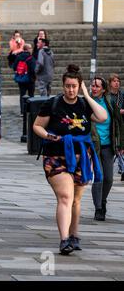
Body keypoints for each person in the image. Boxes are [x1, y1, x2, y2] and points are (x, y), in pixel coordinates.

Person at [33, 64, 107, 255]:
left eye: (74, 86)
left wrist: (87, 96)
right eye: (67, 86)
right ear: (63, 85)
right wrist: (50, 136)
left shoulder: (84, 104)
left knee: (76, 200)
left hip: (81, 157)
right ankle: (64, 239)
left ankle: (74, 236)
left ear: (80, 86)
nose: (71, 90)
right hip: (56, 156)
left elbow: (102, 117)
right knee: (66, 197)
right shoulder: (53, 103)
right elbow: (37, 126)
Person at [89, 77, 124, 221]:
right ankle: (98, 208)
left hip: (108, 146)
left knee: (109, 179)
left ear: (104, 89)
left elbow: (118, 123)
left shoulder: (110, 103)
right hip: (93, 145)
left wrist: (120, 145)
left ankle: (103, 201)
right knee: (99, 177)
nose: (94, 88)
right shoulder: (88, 103)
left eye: (97, 86)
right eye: (93, 86)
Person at [108, 74, 124, 181]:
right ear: (110, 83)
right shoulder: (108, 96)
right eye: (114, 81)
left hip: (122, 123)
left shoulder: (122, 95)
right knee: (117, 147)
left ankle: (122, 169)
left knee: (122, 147)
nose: (117, 83)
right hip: (112, 124)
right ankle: (121, 168)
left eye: (118, 81)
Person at [13, 44, 36, 115]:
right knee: (31, 95)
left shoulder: (18, 57)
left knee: (22, 95)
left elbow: (14, 67)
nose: (32, 50)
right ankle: (31, 110)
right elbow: (33, 69)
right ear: (28, 49)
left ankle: (22, 112)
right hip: (30, 80)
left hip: (21, 79)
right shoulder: (31, 58)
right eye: (31, 48)